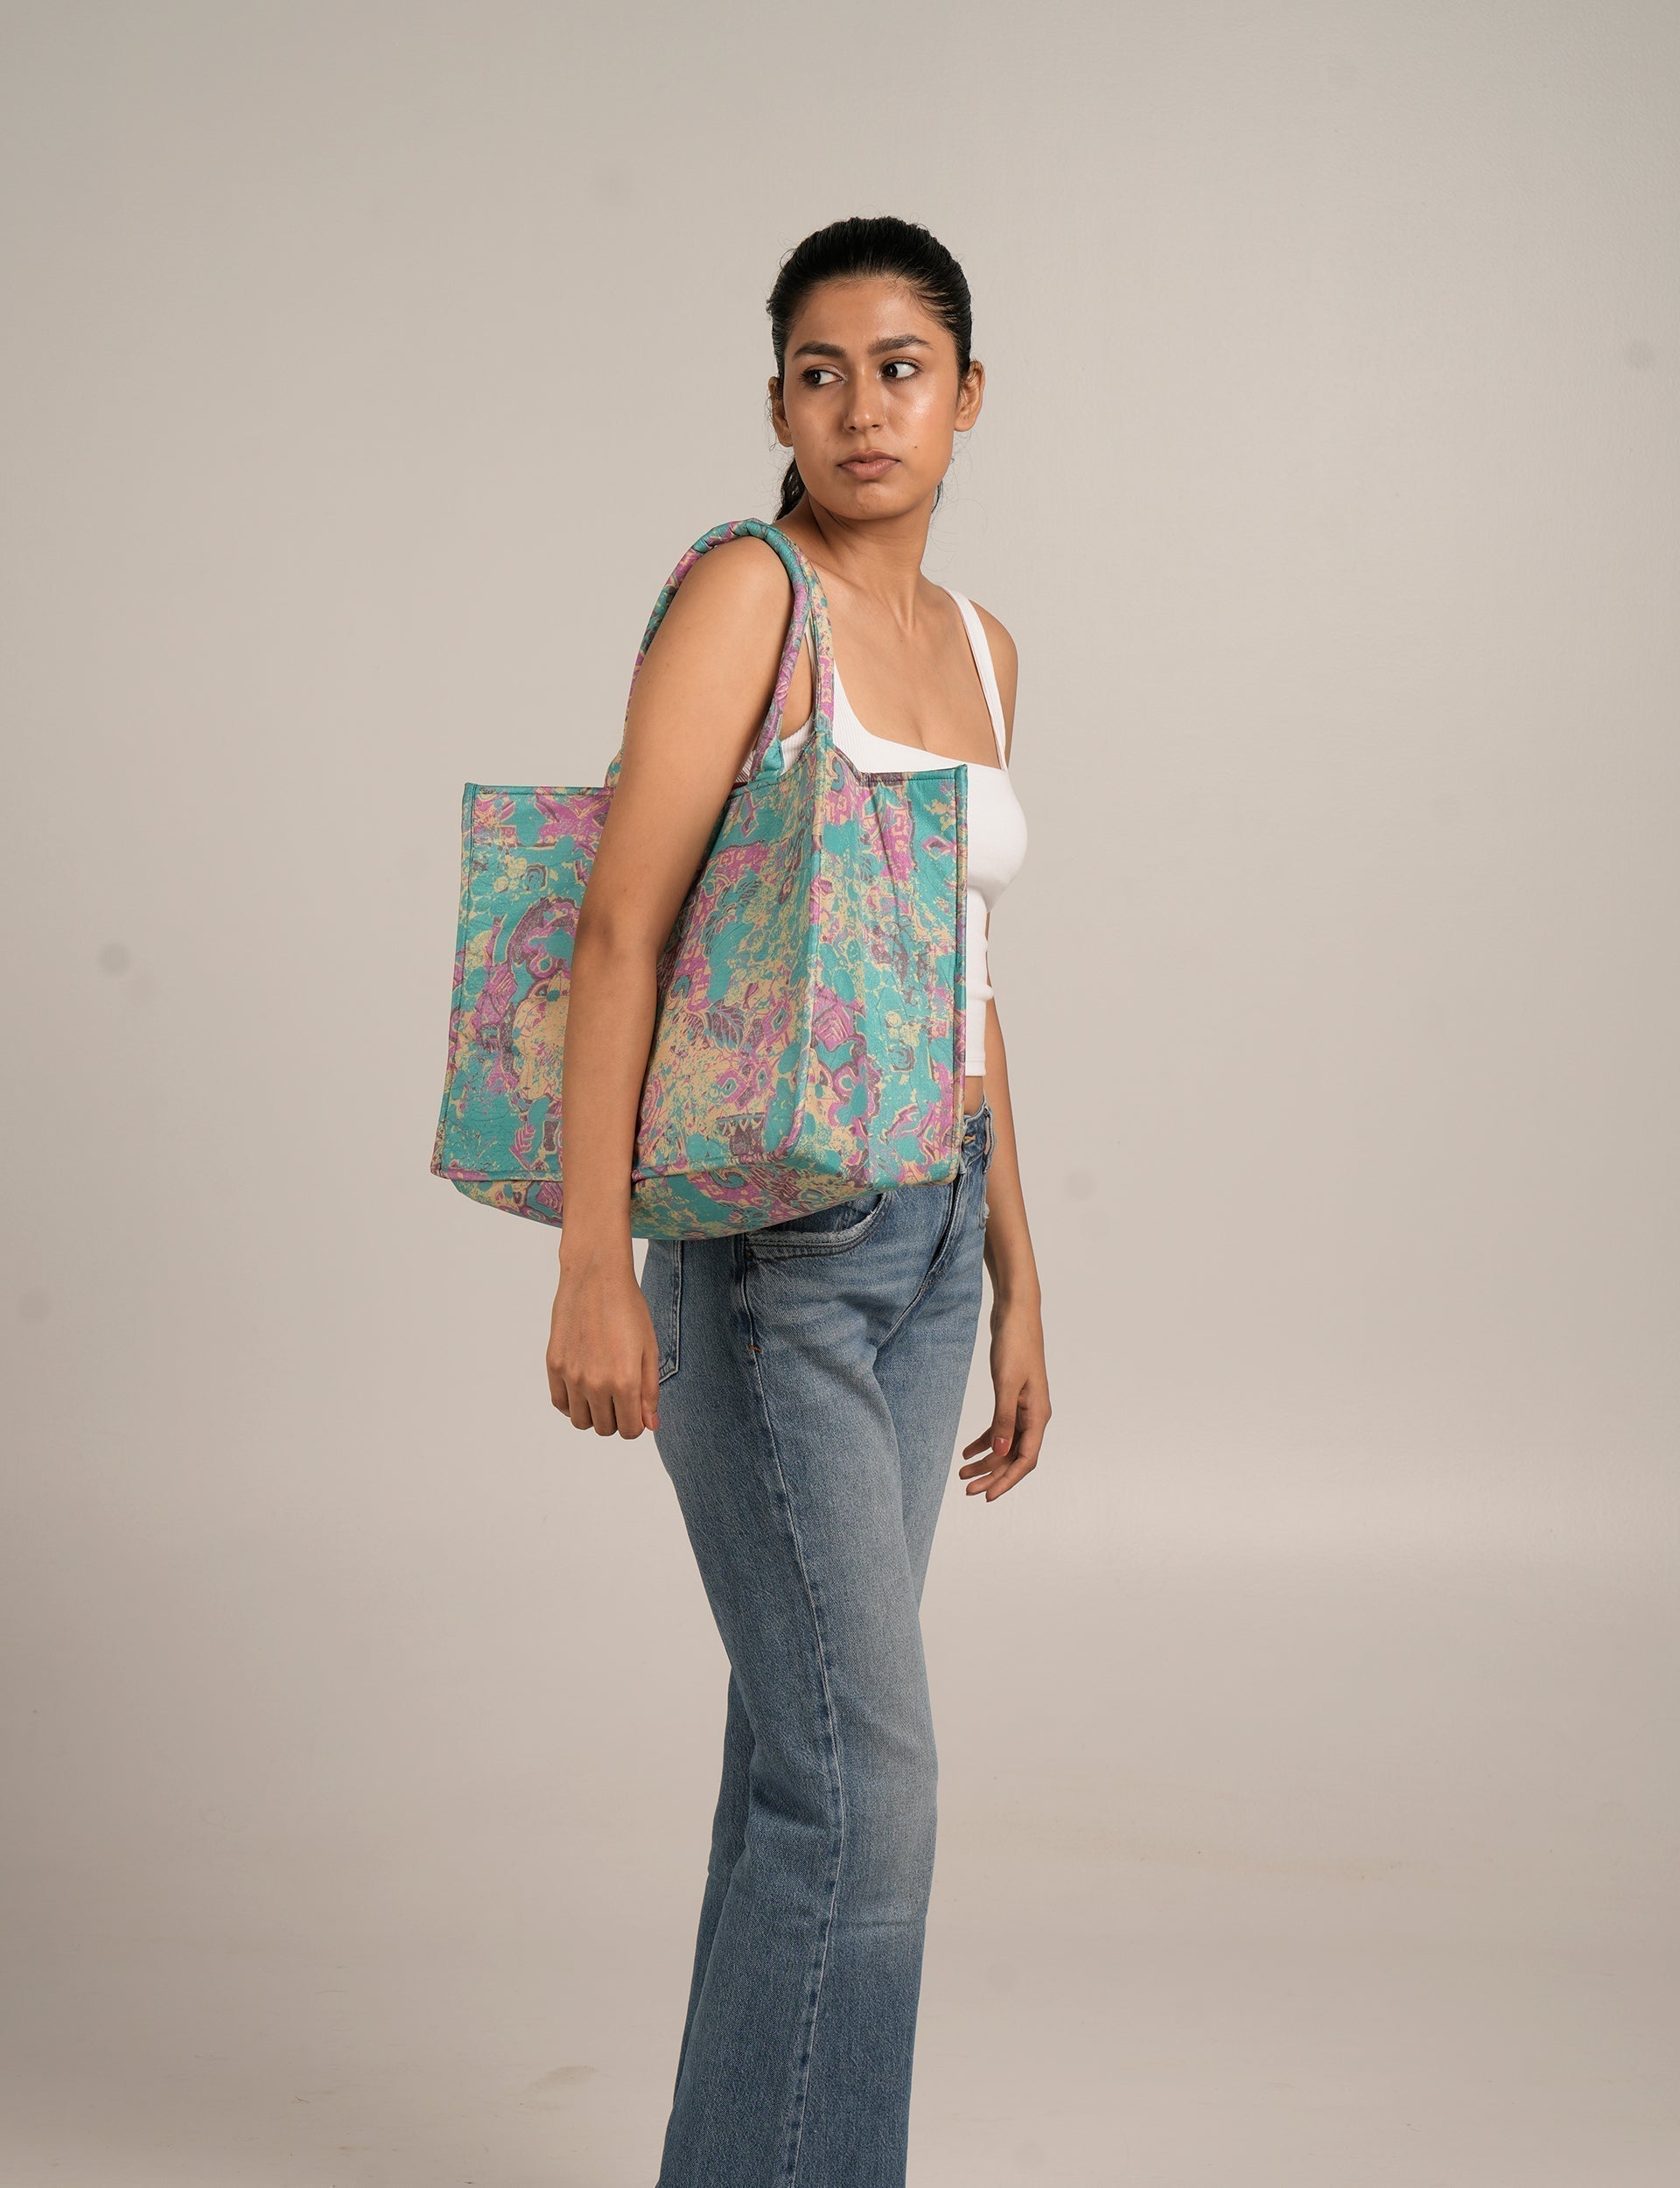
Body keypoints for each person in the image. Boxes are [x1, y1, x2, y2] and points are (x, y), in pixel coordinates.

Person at [544, 214, 1053, 2188]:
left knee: (806, 1762)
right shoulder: (747, 596)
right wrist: (599, 1264)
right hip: (772, 1262)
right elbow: (620, 927)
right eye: (821, 372)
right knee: (867, 1787)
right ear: (777, 402)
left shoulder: (986, 648)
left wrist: (1017, 1265)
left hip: (929, 1239)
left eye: (901, 367)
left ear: (968, 397)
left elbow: (968, 978)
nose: (862, 408)